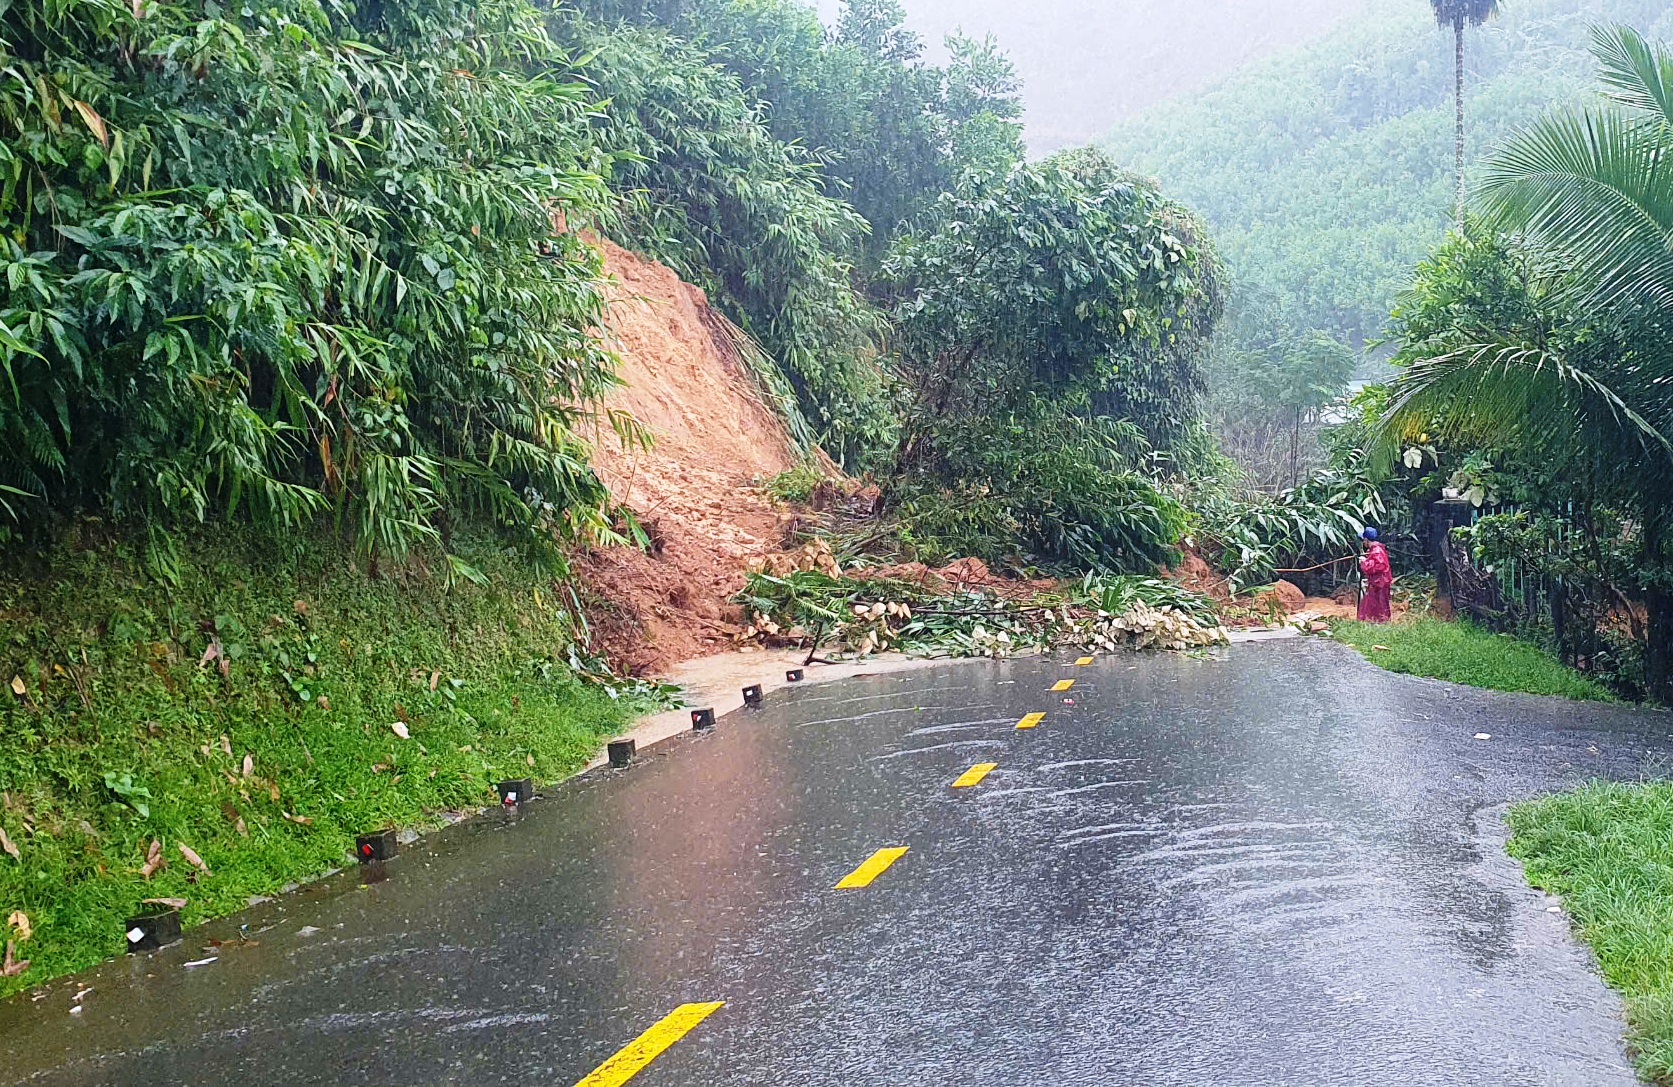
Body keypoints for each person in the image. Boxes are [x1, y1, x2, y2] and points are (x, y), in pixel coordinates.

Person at [1358, 526, 1393, 623]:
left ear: (1366, 539)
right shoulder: (1375, 550)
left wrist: (1364, 563)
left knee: (1379, 605)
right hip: (1378, 582)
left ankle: (1380, 622)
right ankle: (1376, 621)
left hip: (1380, 583)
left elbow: (1380, 566)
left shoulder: (1377, 551)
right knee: (1375, 604)